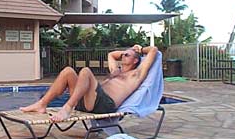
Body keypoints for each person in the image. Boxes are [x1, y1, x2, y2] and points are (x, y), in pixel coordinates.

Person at [20, 44, 158, 122]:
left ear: (135, 61)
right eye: (123, 54)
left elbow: (154, 50)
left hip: (104, 104)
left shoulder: (136, 74)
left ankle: (67, 109)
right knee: (68, 71)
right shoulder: (116, 70)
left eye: (127, 55)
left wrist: (138, 50)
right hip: (88, 100)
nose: (122, 56)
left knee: (85, 71)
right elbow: (111, 54)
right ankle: (42, 104)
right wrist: (128, 51)